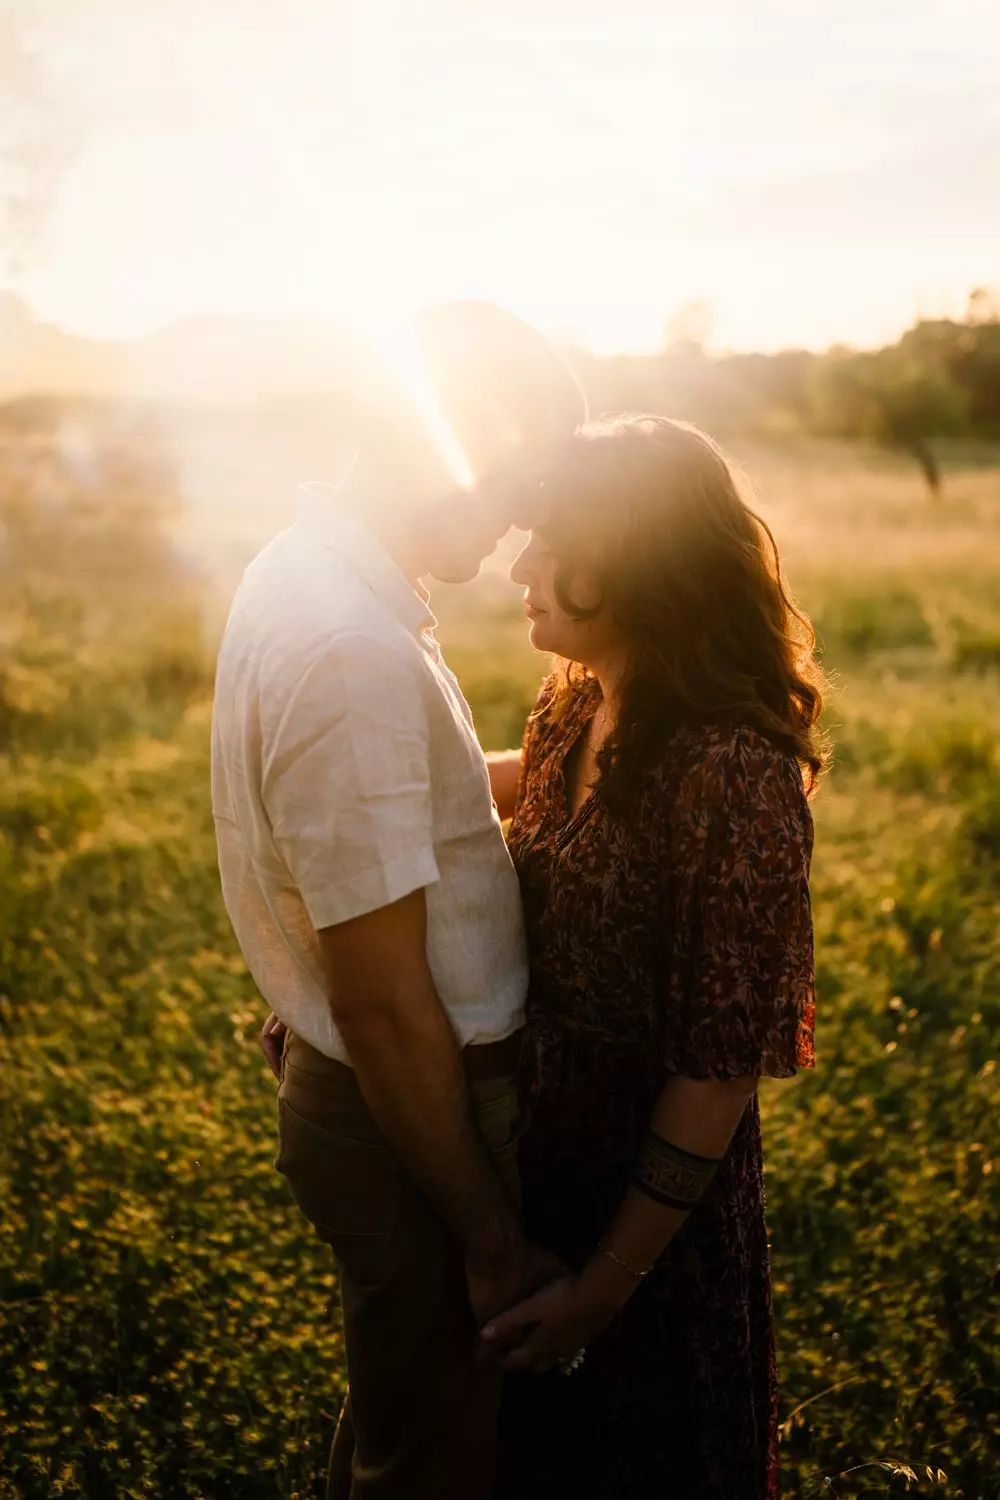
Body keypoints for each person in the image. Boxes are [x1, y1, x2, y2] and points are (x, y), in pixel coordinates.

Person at [210, 304, 587, 1500]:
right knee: (432, 1467)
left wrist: (589, 772)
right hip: (411, 1106)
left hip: (377, 1097)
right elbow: (381, 1001)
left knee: (397, 1422)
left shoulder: (314, 574)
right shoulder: (346, 646)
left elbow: (393, 815)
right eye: (521, 474)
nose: (528, 515)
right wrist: (489, 1238)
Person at [483, 415, 824, 1499]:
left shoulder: (734, 776)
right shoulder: (573, 706)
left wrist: (598, 1292)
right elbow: (464, 803)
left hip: (650, 1247)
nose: (519, 565)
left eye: (551, 541)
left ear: (634, 559)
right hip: (534, 1192)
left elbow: (715, 1072)